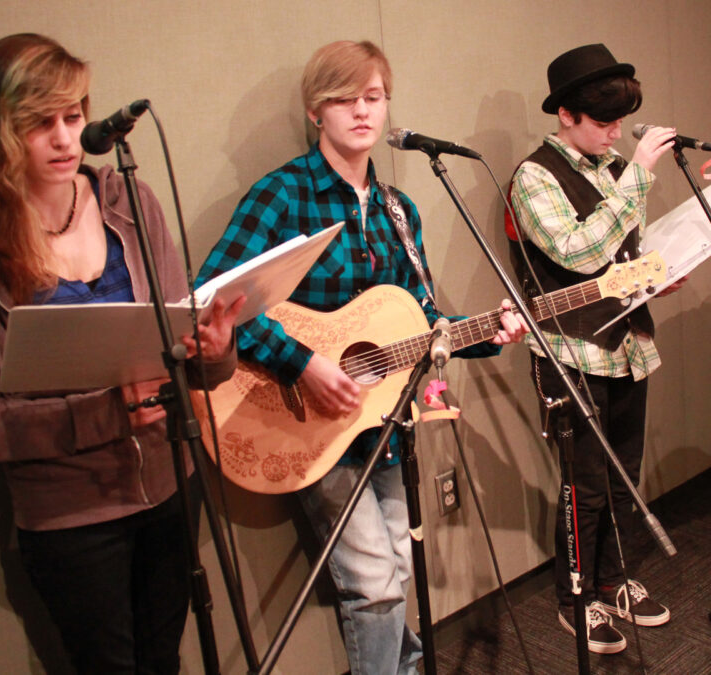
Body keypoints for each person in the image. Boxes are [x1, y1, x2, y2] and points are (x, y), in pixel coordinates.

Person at [196, 40, 527, 674]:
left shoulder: (400, 212)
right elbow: (215, 300)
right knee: (375, 582)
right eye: (344, 98)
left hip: (380, 422)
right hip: (299, 420)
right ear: (316, 111)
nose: (361, 111)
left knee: (399, 568)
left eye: (373, 97)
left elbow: (421, 323)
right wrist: (303, 364)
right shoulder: (284, 195)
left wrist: (492, 330)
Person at [0, 34, 241, 674]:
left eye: (72, 115)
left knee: (166, 662)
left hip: (172, 484)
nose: (66, 138)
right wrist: (97, 417)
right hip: (69, 518)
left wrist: (214, 353)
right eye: (40, 123)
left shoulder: (129, 199)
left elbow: (185, 351)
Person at [508, 43, 685, 654]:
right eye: (602, 122)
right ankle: (575, 597)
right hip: (570, 350)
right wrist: (638, 172)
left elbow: (615, 257)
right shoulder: (534, 176)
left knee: (622, 474)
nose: (613, 134)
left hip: (627, 342)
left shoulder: (607, 169)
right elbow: (578, 254)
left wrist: (657, 270)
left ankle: (613, 579)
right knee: (581, 483)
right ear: (565, 115)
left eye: (618, 123)